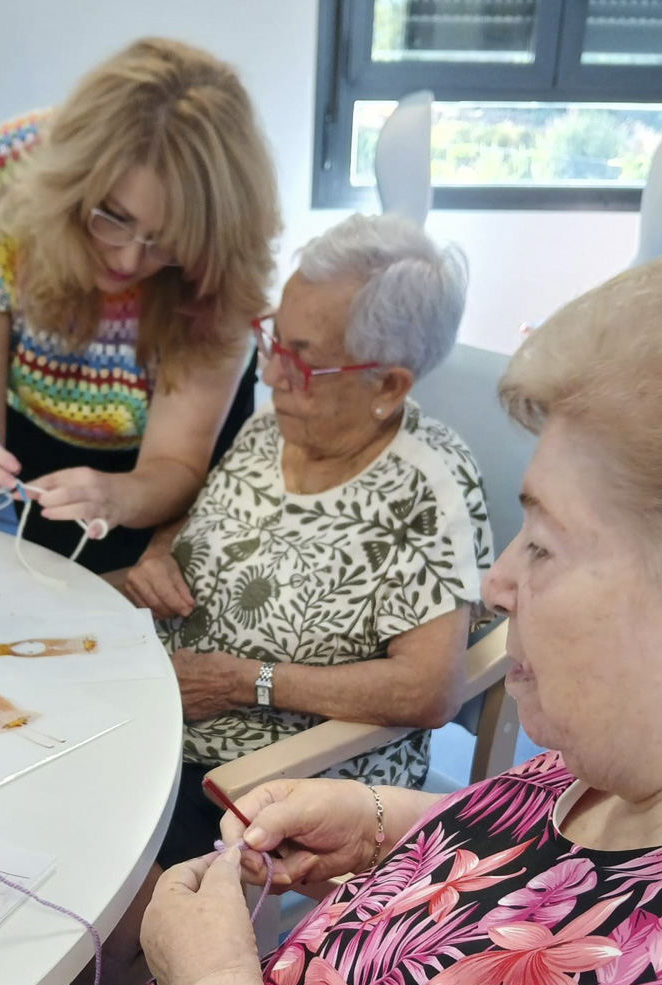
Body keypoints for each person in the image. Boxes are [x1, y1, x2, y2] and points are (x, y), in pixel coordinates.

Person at [109, 234, 662, 985]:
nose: (497, 584)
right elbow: (556, 867)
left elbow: (430, 688)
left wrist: (215, 981)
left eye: (547, 547)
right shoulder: (640, 751)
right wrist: (387, 825)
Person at [125, 213, 491, 869]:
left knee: (103, 872)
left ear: (387, 385)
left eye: (304, 362)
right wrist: (160, 553)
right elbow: (211, 522)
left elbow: (429, 689)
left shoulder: (427, 488)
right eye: (273, 341)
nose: (271, 375)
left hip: (279, 778)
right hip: (159, 715)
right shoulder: (272, 431)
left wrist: (246, 682)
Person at [0, 37, 280, 573]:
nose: (129, 258)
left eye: (167, 239)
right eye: (112, 216)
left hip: (163, 496)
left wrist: (120, 498)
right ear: (70, 187)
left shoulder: (223, 261)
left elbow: (174, 464)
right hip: (28, 460)